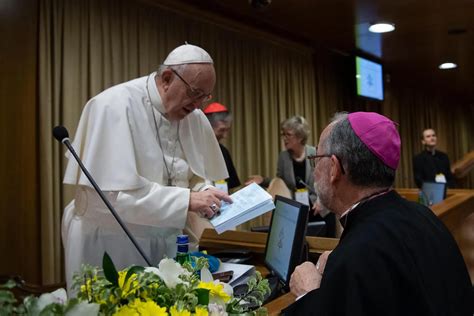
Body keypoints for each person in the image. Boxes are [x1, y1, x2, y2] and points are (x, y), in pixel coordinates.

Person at [61, 44, 232, 291]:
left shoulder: (192, 116)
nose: (199, 105)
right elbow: (109, 198)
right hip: (112, 245)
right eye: (195, 93)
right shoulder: (113, 106)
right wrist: (188, 200)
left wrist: (207, 191)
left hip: (167, 243)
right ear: (166, 79)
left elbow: (194, 175)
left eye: (205, 97)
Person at [285, 112, 472, 315]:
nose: (314, 170)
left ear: (334, 169)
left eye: (316, 159)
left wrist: (308, 295)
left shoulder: (357, 255)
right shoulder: (425, 216)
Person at [246, 116, 336, 236]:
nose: (284, 138)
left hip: (320, 210)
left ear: (299, 136)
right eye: (283, 135)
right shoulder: (283, 157)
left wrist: (322, 201)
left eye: (288, 135)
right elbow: (282, 183)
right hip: (299, 212)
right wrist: (263, 180)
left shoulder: (314, 153)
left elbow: (326, 180)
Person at [203, 102, 241, 191]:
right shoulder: (193, 150)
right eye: (221, 130)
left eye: (227, 130)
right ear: (207, 127)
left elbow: (231, 186)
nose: (225, 136)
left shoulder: (223, 152)